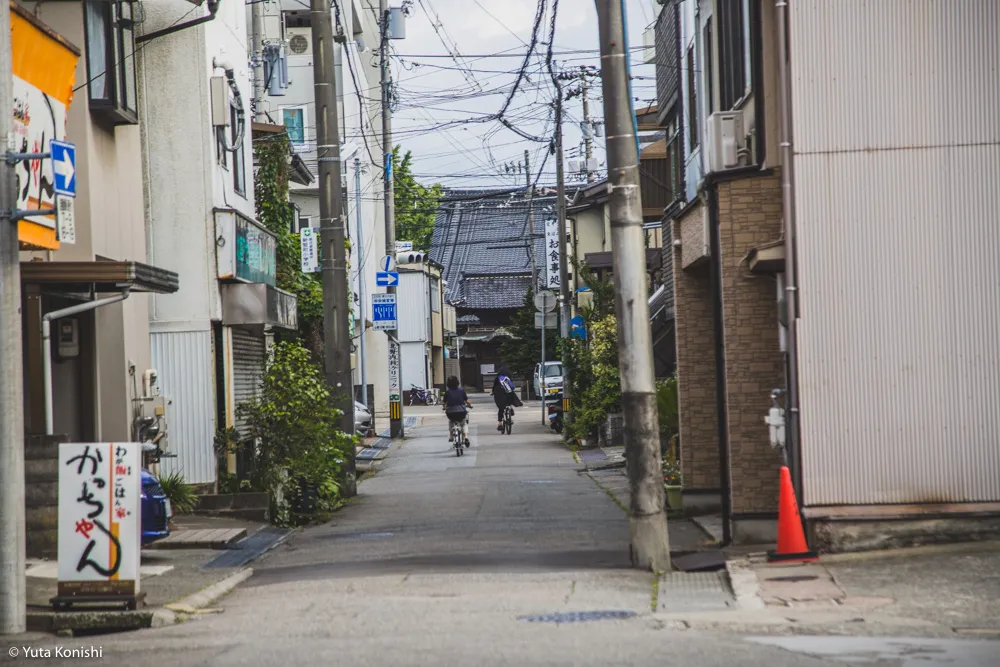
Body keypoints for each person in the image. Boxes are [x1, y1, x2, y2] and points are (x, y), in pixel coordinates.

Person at [442, 376, 472, 447]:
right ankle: (466, 437)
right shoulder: (461, 391)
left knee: (451, 421)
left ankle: (451, 436)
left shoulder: (447, 392)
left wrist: (444, 407)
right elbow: (467, 401)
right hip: (461, 411)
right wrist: (470, 406)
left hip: (451, 413)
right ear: (457, 383)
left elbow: (443, 403)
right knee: (464, 423)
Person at [491, 365, 522, 431]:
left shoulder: (498, 378)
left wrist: (493, 392)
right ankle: (510, 408)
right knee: (509, 398)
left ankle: (500, 424)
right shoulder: (508, 377)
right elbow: (511, 386)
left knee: (501, 408)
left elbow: (494, 386)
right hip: (508, 393)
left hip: (499, 393)